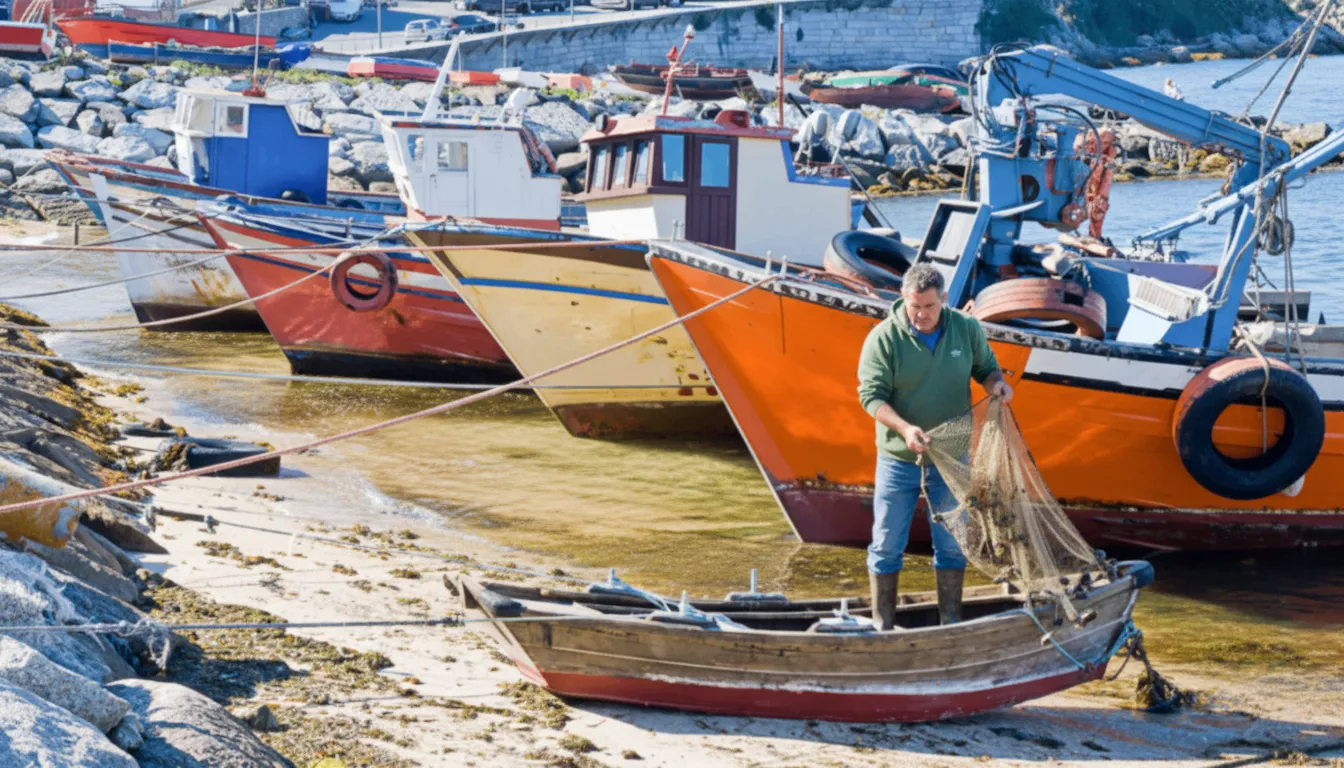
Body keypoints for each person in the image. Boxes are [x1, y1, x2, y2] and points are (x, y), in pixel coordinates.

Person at [856, 264, 1013, 630]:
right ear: (903, 299)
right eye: (915, 307)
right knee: (886, 542)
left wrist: (997, 386)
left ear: (943, 299)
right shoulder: (883, 339)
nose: (922, 315)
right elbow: (870, 397)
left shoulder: (966, 328)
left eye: (929, 306)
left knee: (952, 542)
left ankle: (951, 622)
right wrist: (906, 428)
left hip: (951, 457)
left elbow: (987, 369)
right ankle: (883, 626)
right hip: (899, 458)